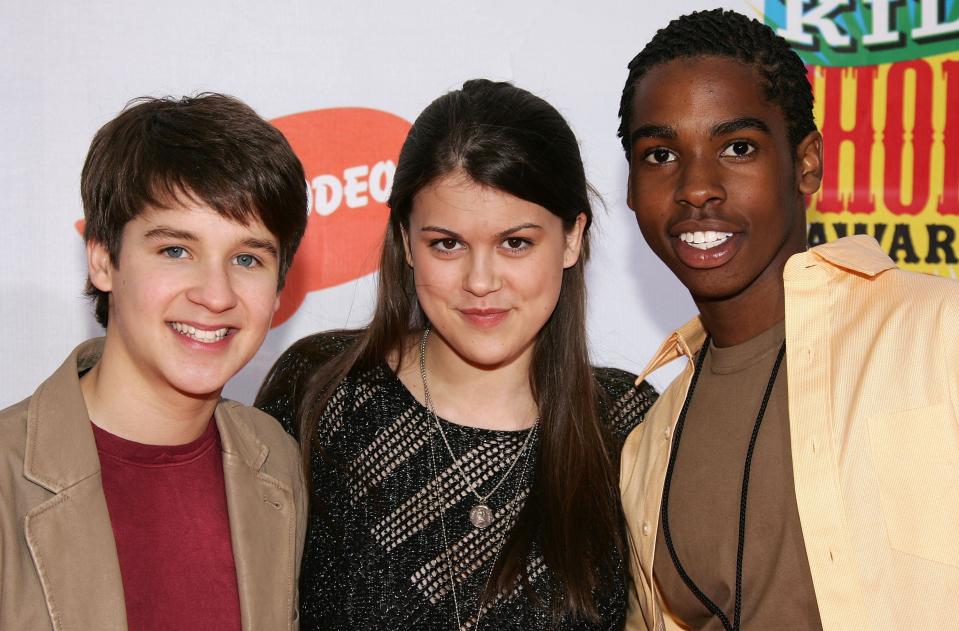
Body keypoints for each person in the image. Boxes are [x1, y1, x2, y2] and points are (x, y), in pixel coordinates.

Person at [256, 78, 658, 630]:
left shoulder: (629, 424)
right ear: (405, 241)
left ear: (571, 239)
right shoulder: (323, 394)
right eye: (447, 243)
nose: (480, 281)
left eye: (515, 242)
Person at [616, 8, 959, 631]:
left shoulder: (939, 334)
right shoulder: (648, 444)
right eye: (661, 154)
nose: (697, 187)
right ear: (633, 189)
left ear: (806, 164)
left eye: (737, 147)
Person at [0, 93, 309, 631]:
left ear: (279, 287)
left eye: (246, 259)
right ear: (103, 259)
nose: (216, 294)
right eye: (175, 250)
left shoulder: (278, 462)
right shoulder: (6, 474)